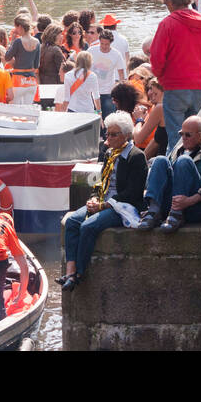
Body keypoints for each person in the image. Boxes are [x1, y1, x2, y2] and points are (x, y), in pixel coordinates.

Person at [60, 115, 145, 291]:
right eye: (108, 134)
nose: (109, 138)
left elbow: (133, 192)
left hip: (122, 206)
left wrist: (105, 205)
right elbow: (100, 183)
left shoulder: (136, 157)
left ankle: (79, 274)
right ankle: (70, 270)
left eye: (114, 134)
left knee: (88, 227)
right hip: (103, 201)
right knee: (72, 221)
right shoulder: (108, 154)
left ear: (126, 135)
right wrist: (93, 198)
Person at [136, 115, 201, 233]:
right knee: (160, 160)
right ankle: (153, 210)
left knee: (184, 161)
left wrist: (188, 201)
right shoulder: (178, 150)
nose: (183, 138)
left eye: (188, 135)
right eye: (181, 134)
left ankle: (176, 214)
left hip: (196, 207)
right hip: (173, 204)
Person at [148, 0, 201, 150]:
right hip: (199, 85)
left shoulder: (167, 24)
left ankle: (176, 171)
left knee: (177, 140)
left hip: (175, 86)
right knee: (197, 137)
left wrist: (160, 78)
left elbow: (157, 58)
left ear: (170, 2)